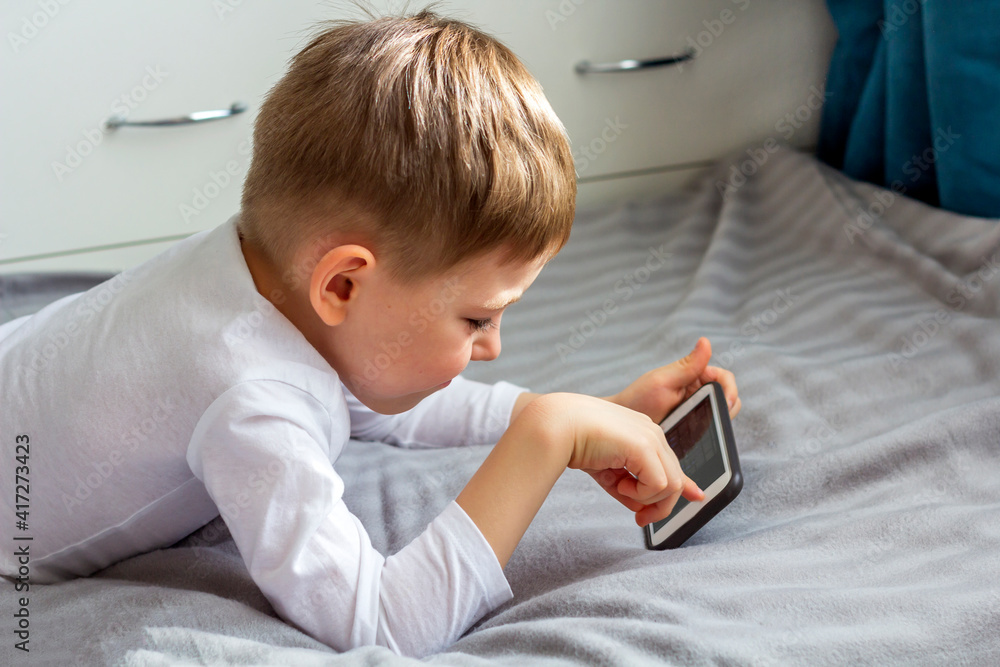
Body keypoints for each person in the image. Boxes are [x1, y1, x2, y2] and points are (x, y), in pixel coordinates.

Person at [0, 10, 740, 658]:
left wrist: (590, 409)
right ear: (343, 284)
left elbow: (377, 385)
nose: (493, 347)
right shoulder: (252, 400)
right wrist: (546, 437)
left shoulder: (265, 271)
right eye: (477, 318)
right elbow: (382, 623)